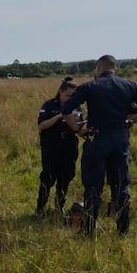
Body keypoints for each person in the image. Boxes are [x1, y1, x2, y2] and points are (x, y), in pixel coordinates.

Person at [62, 55, 137, 236]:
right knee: (121, 186)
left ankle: (88, 230)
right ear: (114, 68)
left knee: (92, 186)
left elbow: (66, 110)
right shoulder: (129, 85)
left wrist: (78, 130)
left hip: (97, 140)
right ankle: (123, 231)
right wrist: (131, 121)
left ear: (99, 68)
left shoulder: (90, 87)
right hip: (120, 140)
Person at [34, 77, 82, 218]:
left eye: (72, 96)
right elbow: (41, 126)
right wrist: (59, 117)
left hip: (69, 146)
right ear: (60, 91)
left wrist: (76, 120)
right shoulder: (49, 105)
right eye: (67, 95)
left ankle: (58, 208)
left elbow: (78, 129)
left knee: (65, 176)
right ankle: (40, 208)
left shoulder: (76, 107)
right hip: (51, 146)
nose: (69, 99)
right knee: (48, 177)